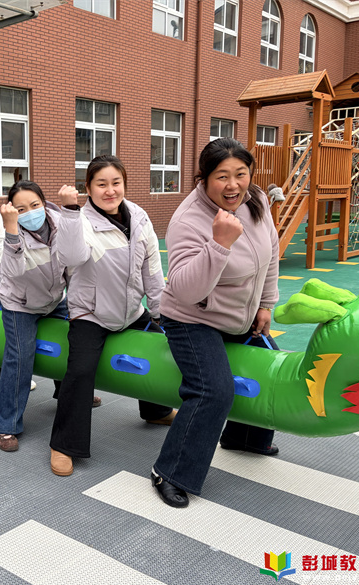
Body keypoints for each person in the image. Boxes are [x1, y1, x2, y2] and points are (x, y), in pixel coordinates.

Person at [151, 138, 280, 509]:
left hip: (240, 315)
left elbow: (270, 253)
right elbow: (185, 290)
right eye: (222, 176)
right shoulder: (188, 220)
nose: (233, 185)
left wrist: (266, 304)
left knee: (270, 367)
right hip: (192, 318)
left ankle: (244, 438)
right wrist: (219, 244)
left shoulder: (256, 201)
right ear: (204, 178)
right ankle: (170, 472)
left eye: (241, 174)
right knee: (213, 390)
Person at [48, 155, 172, 477]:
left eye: (116, 183)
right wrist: (70, 212)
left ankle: (156, 410)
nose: (110, 190)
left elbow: (152, 269)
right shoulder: (79, 220)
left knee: (159, 352)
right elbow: (70, 257)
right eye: (101, 184)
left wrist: (160, 312)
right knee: (80, 371)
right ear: (88, 188)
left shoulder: (139, 217)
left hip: (131, 310)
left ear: (124, 184)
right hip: (91, 312)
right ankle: (64, 444)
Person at [0, 180, 72, 452]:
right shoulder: (9, 231)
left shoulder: (61, 223)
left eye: (35, 205)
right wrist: (11, 229)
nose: (30, 212)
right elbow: (12, 271)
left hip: (53, 298)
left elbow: (75, 262)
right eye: (21, 209)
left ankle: (66, 393)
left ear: (44, 203)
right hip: (20, 303)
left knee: (73, 341)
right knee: (19, 357)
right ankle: (6, 424)